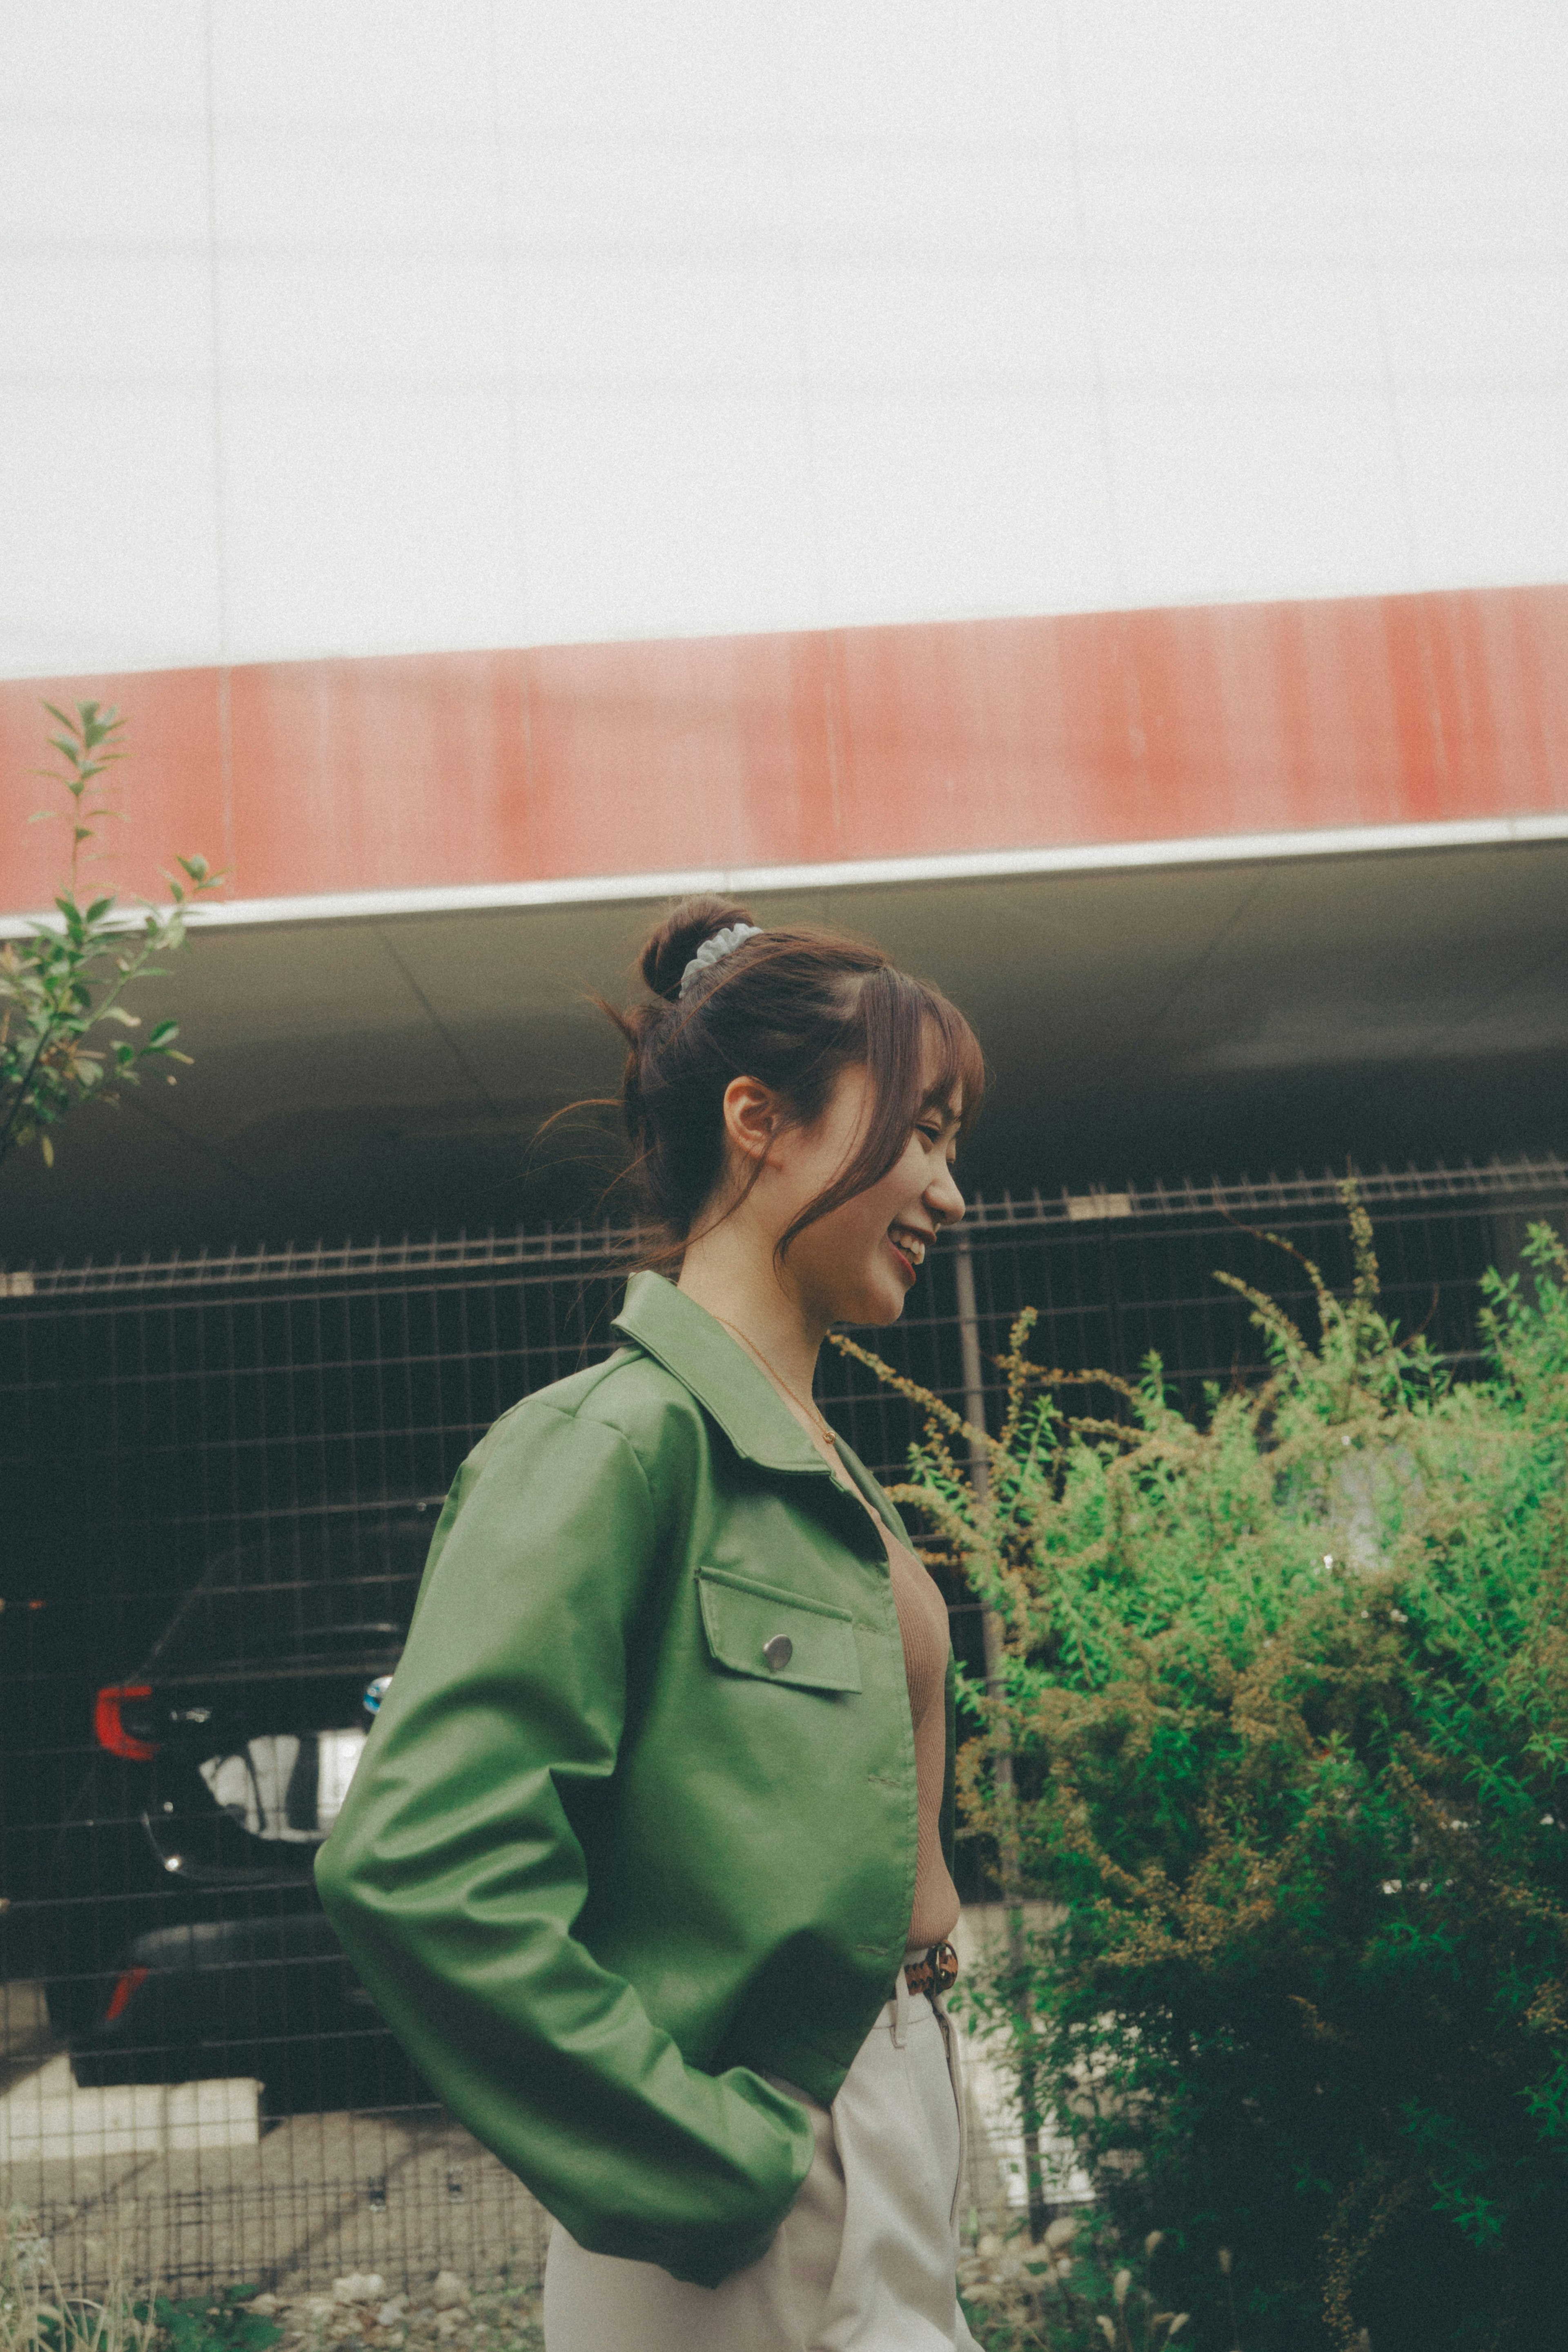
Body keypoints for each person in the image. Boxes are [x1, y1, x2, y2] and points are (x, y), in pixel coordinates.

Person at [315, 896, 987, 2351]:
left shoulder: (811, 1449)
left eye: (951, 1142)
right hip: (758, 2185)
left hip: (886, 2100)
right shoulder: (613, 1446)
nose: (946, 1191)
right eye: (918, 1132)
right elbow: (420, 1869)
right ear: (759, 1118)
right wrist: (710, 2161)